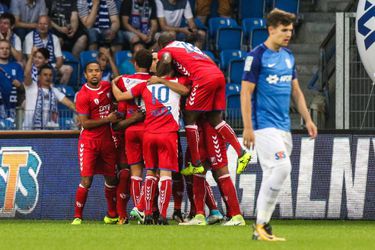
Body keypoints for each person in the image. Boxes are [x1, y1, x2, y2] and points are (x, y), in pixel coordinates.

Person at [240, 9, 318, 241]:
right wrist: (247, 127)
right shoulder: (256, 56)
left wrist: (307, 119)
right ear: (271, 29)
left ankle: (261, 228)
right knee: (283, 168)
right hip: (263, 125)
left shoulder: (288, 56)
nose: (288, 35)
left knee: (273, 173)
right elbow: (245, 92)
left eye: (291, 31)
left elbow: (296, 91)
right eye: (284, 30)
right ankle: (261, 224)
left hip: (284, 127)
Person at [112, 52, 191, 225]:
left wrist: (112, 83)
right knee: (165, 175)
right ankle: (162, 215)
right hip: (168, 135)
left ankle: (147, 213)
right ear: (172, 71)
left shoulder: (145, 85)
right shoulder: (177, 83)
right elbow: (186, 91)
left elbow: (120, 97)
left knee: (149, 173)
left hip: (149, 134)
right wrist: (164, 81)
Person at [157, 33, 251, 176]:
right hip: (217, 75)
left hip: (203, 78)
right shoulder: (188, 46)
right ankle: (241, 153)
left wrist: (158, 77)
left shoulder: (166, 50)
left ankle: (196, 164)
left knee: (189, 116)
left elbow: (166, 59)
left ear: (161, 45)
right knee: (215, 119)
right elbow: (208, 59)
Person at [72, 61, 121, 225]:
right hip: (89, 142)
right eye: (91, 71)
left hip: (107, 141)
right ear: (85, 75)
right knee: (87, 180)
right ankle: (77, 216)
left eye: (97, 71)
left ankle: (112, 214)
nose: (94, 74)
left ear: (101, 73)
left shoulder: (108, 87)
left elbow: (121, 84)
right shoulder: (83, 95)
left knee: (112, 178)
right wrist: (107, 119)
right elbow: (85, 123)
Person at [114, 49, 153, 220]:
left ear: (135, 63)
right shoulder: (155, 80)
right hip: (150, 128)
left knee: (135, 173)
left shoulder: (124, 80)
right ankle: (148, 209)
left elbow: (116, 91)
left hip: (130, 131)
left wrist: (115, 81)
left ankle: (138, 210)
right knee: (152, 172)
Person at [23, 61, 75, 130]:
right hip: (28, 130)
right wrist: (31, 56)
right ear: (39, 77)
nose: (48, 77)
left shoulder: (55, 91)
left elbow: (70, 104)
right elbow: (27, 73)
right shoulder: (31, 87)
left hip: (46, 132)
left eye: (50, 75)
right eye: (45, 74)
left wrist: (81, 115)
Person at [23, 15, 73, 85]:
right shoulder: (30, 36)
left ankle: (60, 89)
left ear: (49, 26)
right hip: (35, 64)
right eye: (40, 24)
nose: (42, 26)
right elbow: (29, 57)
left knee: (68, 69)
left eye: (45, 24)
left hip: (51, 65)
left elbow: (59, 59)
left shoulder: (54, 38)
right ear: (37, 25)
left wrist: (54, 69)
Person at [0, 39, 23, 129]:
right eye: (1, 48)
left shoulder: (17, 66)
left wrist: (20, 85)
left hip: (13, 106)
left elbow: (24, 89)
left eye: (7, 48)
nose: (4, 51)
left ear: (10, 50)